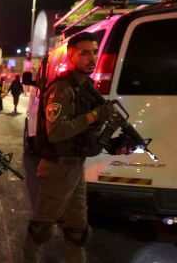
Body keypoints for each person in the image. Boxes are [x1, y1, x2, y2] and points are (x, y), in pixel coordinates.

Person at [23, 32, 117, 263]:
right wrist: (94, 116)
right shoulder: (62, 89)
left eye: (94, 51)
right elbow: (56, 132)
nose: (92, 57)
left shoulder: (85, 88)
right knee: (43, 223)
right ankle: (28, 258)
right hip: (58, 167)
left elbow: (84, 130)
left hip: (75, 166)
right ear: (71, 56)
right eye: (85, 53)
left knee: (77, 226)